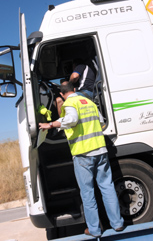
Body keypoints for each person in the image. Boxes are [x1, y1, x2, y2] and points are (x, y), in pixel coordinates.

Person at [39, 81, 124, 238]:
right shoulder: (90, 102)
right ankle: (117, 223)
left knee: (88, 193)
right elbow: (101, 121)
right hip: (100, 150)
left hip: (83, 154)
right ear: (75, 89)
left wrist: (50, 125)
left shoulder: (69, 103)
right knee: (107, 187)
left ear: (62, 95)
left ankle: (94, 229)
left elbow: (71, 119)